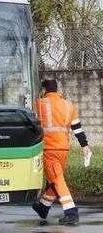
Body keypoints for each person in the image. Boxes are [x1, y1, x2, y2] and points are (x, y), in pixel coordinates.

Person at [32, 79, 92, 225]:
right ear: (57, 89)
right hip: (64, 149)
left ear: (44, 90)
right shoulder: (68, 105)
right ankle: (43, 207)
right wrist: (85, 147)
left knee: (57, 180)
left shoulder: (39, 104)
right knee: (54, 181)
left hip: (49, 149)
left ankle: (71, 212)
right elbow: (77, 128)